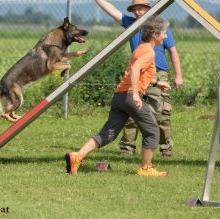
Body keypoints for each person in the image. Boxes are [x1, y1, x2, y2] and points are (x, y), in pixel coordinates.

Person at [65, 16, 171, 176]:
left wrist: (156, 83)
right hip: (130, 96)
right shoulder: (149, 52)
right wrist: (135, 94)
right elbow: (135, 68)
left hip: (120, 96)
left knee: (108, 134)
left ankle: (77, 157)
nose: (166, 36)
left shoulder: (140, 48)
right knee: (152, 131)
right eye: (164, 33)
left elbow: (137, 73)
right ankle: (146, 168)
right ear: (154, 34)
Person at [89, 0, 183, 157]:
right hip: (137, 74)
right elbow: (111, 11)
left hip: (158, 73)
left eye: (142, 8)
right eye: (136, 9)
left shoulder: (159, 28)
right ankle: (127, 147)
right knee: (132, 110)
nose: (139, 12)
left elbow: (173, 52)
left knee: (161, 112)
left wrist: (178, 75)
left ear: (149, 9)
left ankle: (166, 147)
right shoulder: (130, 24)